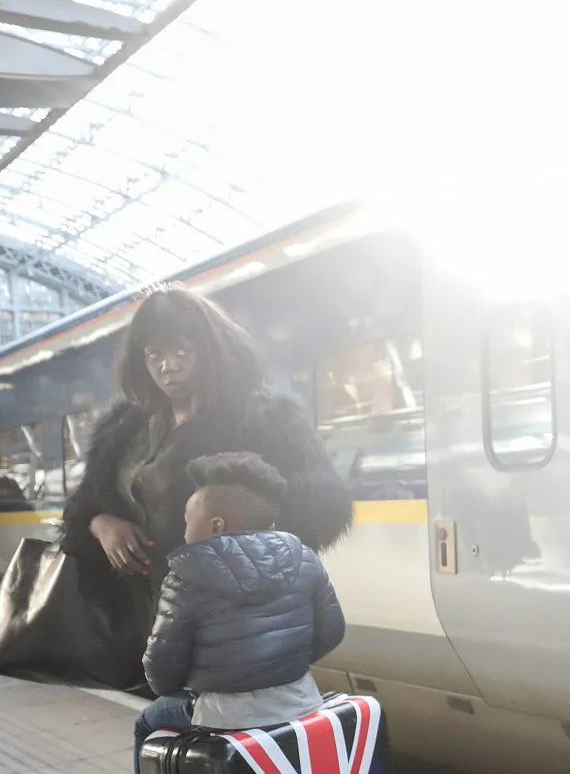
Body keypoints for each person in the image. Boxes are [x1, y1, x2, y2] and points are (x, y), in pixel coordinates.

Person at [61, 284, 352, 673]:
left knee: (216, 726)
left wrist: (232, 539)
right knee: (164, 725)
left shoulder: (263, 417)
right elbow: (83, 504)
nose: (169, 366)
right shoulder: (124, 426)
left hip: (230, 626)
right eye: (155, 355)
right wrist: (103, 526)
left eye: (183, 351)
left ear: (211, 351)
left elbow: (325, 507)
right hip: (146, 620)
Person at [113, 452, 346, 774]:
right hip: (299, 701)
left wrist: (213, 680)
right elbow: (332, 631)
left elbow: (161, 672)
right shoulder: (303, 555)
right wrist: (280, 665)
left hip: (226, 714)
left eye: (188, 520)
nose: (184, 531)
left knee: (147, 722)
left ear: (215, 526)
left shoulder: (186, 573)